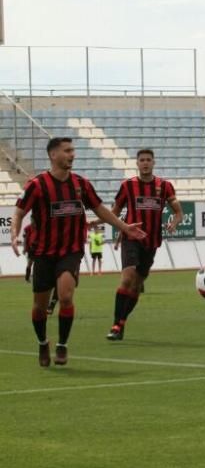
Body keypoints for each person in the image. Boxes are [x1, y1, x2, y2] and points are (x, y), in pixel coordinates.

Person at [10, 137, 146, 367]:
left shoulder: (81, 184)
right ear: (53, 155)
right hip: (44, 253)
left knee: (65, 296)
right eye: (67, 150)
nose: (72, 154)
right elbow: (19, 212)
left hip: (70, 251)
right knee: (39, 308)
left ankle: (62, 345)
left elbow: (100, 209)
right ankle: (43, 343)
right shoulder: (37, 185)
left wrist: (123, 227)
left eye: (73, 150)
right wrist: (14, 234)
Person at [106, 148, 182, 341]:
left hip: (152, 242)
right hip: (131, 238)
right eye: (142, 160)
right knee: (127, 278)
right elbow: (114, 211)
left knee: (137, 285)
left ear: (153, 163)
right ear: (137, 163)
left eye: (149, 160)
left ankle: (121, 323)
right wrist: (104, 224)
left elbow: (178, 212)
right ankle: (115, 325)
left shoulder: (164, 186)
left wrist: (174, 223)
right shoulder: (127, 186)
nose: (145, 163)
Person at [22, 225, 60, 315]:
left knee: (58, 283)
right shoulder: (29, 229)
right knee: (30, 264)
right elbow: (26, 239)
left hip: (56, 256)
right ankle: (27, 276)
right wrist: (25, 248)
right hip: (40, 256)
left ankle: (51, 306)